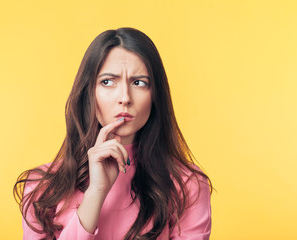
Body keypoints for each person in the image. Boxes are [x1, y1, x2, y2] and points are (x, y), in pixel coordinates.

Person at [14, 27, 212, 240]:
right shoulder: (42, 187)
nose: (125, 97)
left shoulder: (188, 185)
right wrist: (95, 193)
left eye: (139, 82)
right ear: (89, 92)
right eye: (108, 81)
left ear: (155, 95)